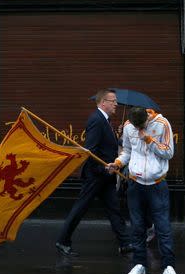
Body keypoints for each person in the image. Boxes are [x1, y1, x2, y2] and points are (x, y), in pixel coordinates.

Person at [55, 89, 132, 257]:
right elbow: (90, 150)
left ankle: (125, 243)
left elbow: (106, 145)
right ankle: (62, 241)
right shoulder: (97, 120)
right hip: (96, 175)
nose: (116, 104)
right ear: (103, 102)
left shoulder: (105, 121)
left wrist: (117, 139)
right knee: (80, 208)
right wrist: (101, 169)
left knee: (114, 209)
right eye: (113, 101)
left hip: (106, 175)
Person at [107, 107, 179, 274]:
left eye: (142, 126)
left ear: (148, 117)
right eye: (136, 126)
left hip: (157, 183)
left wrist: (148, 139)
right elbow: (127, 152)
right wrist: (117, 163)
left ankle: (168, 266)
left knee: (162, 226)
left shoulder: (162, 124)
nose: (138, 129)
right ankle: (139, 264)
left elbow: (169, 153)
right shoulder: (128, 126)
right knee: (137, 226)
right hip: (135, 183)